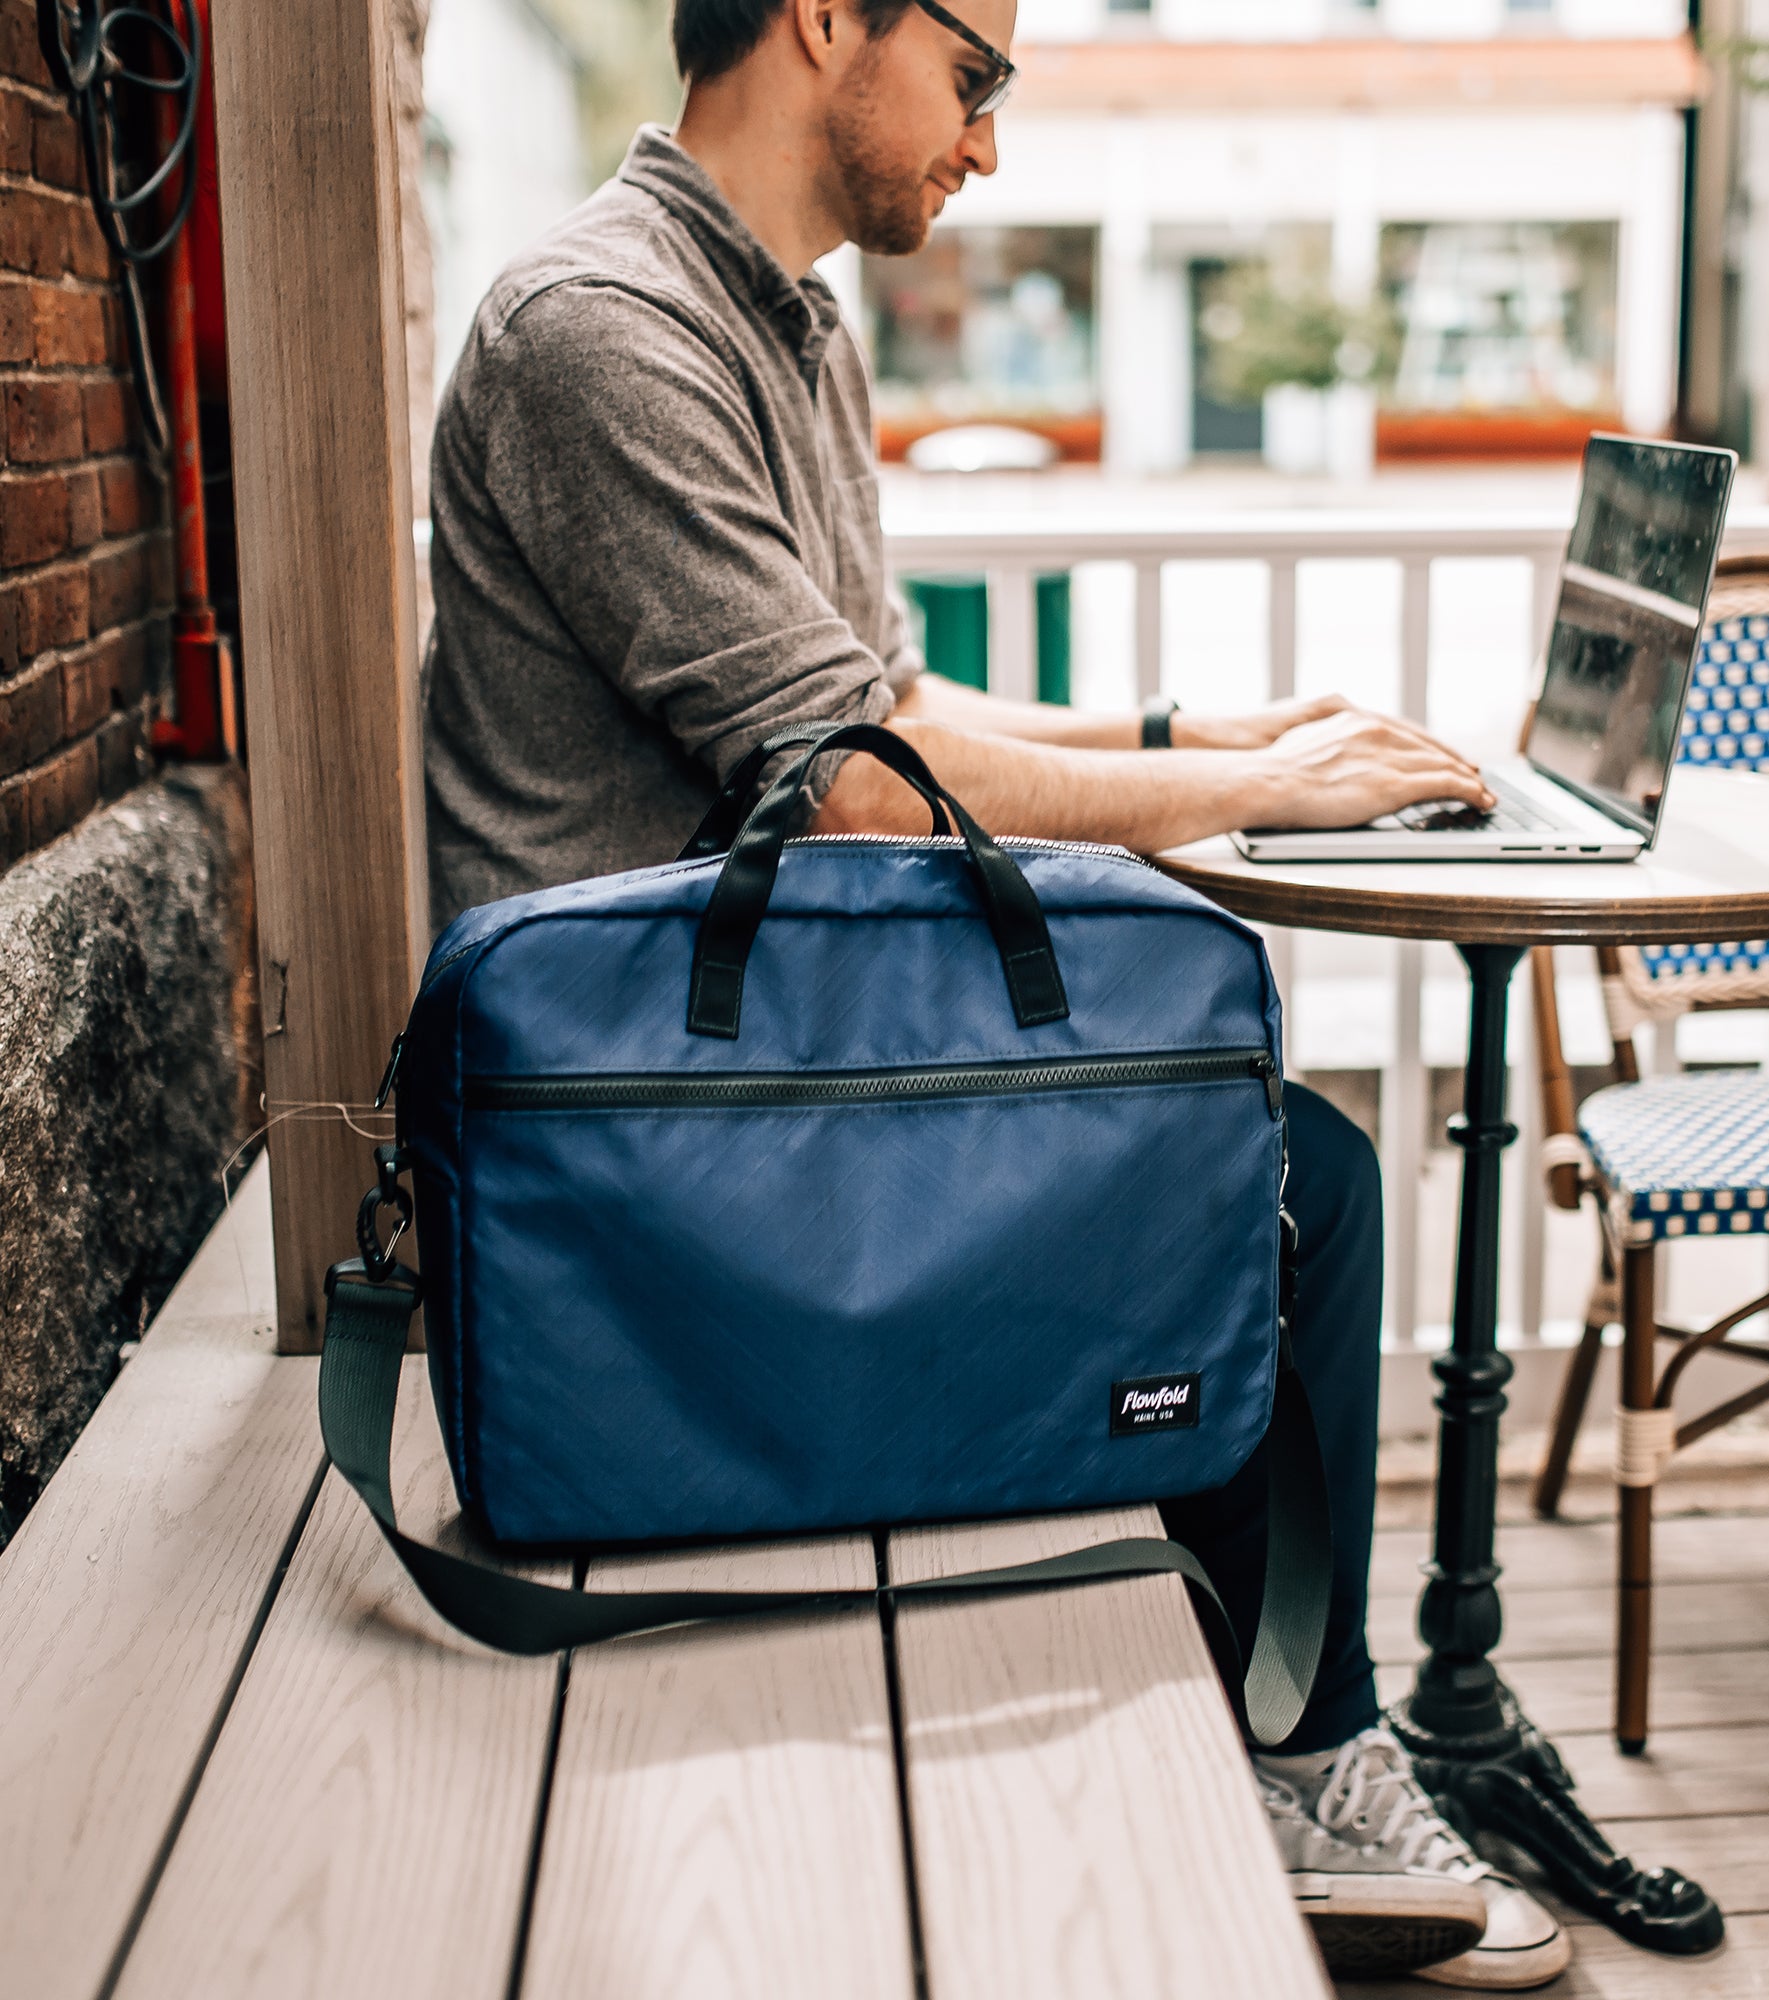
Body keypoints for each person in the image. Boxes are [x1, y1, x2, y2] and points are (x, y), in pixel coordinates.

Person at [423, 0, 1567, 1986]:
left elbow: (891, 704)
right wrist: (1250, 793)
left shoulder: (781, 316)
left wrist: (1191, 725)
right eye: (980, 74)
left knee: (1270, 1152)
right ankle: (1300, 1751)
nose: (989, 143)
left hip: (756, 1065)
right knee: (1289, 1175)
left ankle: (1282, 1727)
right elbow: (850, 777)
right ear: (820, 22)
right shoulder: (595, 329)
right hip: (644, 1142)